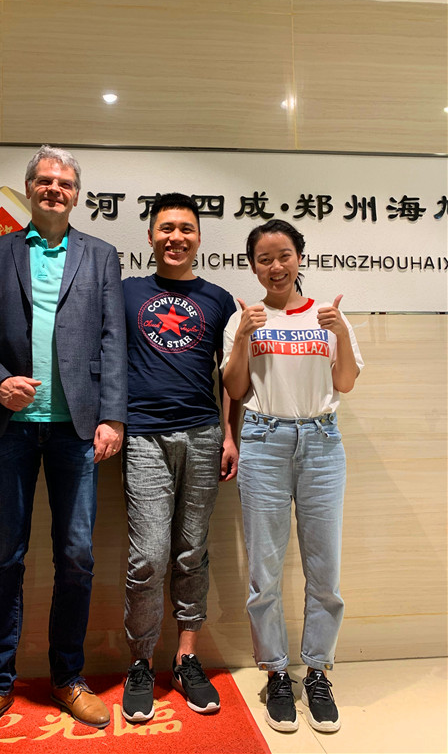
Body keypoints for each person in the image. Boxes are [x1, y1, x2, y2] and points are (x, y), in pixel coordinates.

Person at [0, 145, 127, 745]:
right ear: (29, 188)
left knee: (76, 556)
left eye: (66, 182)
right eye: (45, 180)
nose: (55, 189)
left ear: (77, 194)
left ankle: (67, 677)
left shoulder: (100, 255)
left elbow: (113, 339)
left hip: (78, 430)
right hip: (10, 430)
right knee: (4, 557)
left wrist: (113, 417)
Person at [221, 219, 363, 734]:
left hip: (322, 442)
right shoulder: (245, 318)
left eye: (284, 255)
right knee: (264, 569)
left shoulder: (327, 315)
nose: (275, 266)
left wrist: (340, 332)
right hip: (263, 440)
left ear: (300, 257)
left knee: (325, 569)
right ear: (253, 266)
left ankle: (318, 671)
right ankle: (277, 672)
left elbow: (344, 382)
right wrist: (244, 336)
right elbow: (235, 388)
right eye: (264, 259)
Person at [120, 193, 239, 723]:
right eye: (166, 228)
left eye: (186, 229)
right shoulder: (125, 293)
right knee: (147, 556)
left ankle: (186, 657)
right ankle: (140, 662)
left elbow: (232, 374)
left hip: (204, 434)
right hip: (143, 436)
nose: (176, 238)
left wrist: (230, 434)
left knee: (192, 551)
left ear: (199, 238)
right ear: (150, 236)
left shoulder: (219, 299)